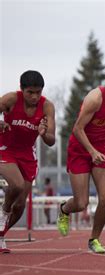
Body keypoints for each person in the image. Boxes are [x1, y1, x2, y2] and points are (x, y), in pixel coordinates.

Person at [56, 62, 105, 254]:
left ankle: (94, 239)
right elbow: (77, 129)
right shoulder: (95, 98)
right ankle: (65, 209)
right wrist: (91, 151)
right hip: (80, 147)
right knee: (81, 203)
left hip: (103, 146)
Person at [0, 70, 56, 253]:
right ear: (21, 89)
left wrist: (43, 133)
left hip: (28, 155)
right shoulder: (11, 100)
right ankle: (2, 214)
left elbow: (51, 140)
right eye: (30, 92)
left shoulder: (47, 106)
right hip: (6, 149)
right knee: (15, 185)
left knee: (20, 205)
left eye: (38, 92)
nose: (34, 96)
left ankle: (1, 236)